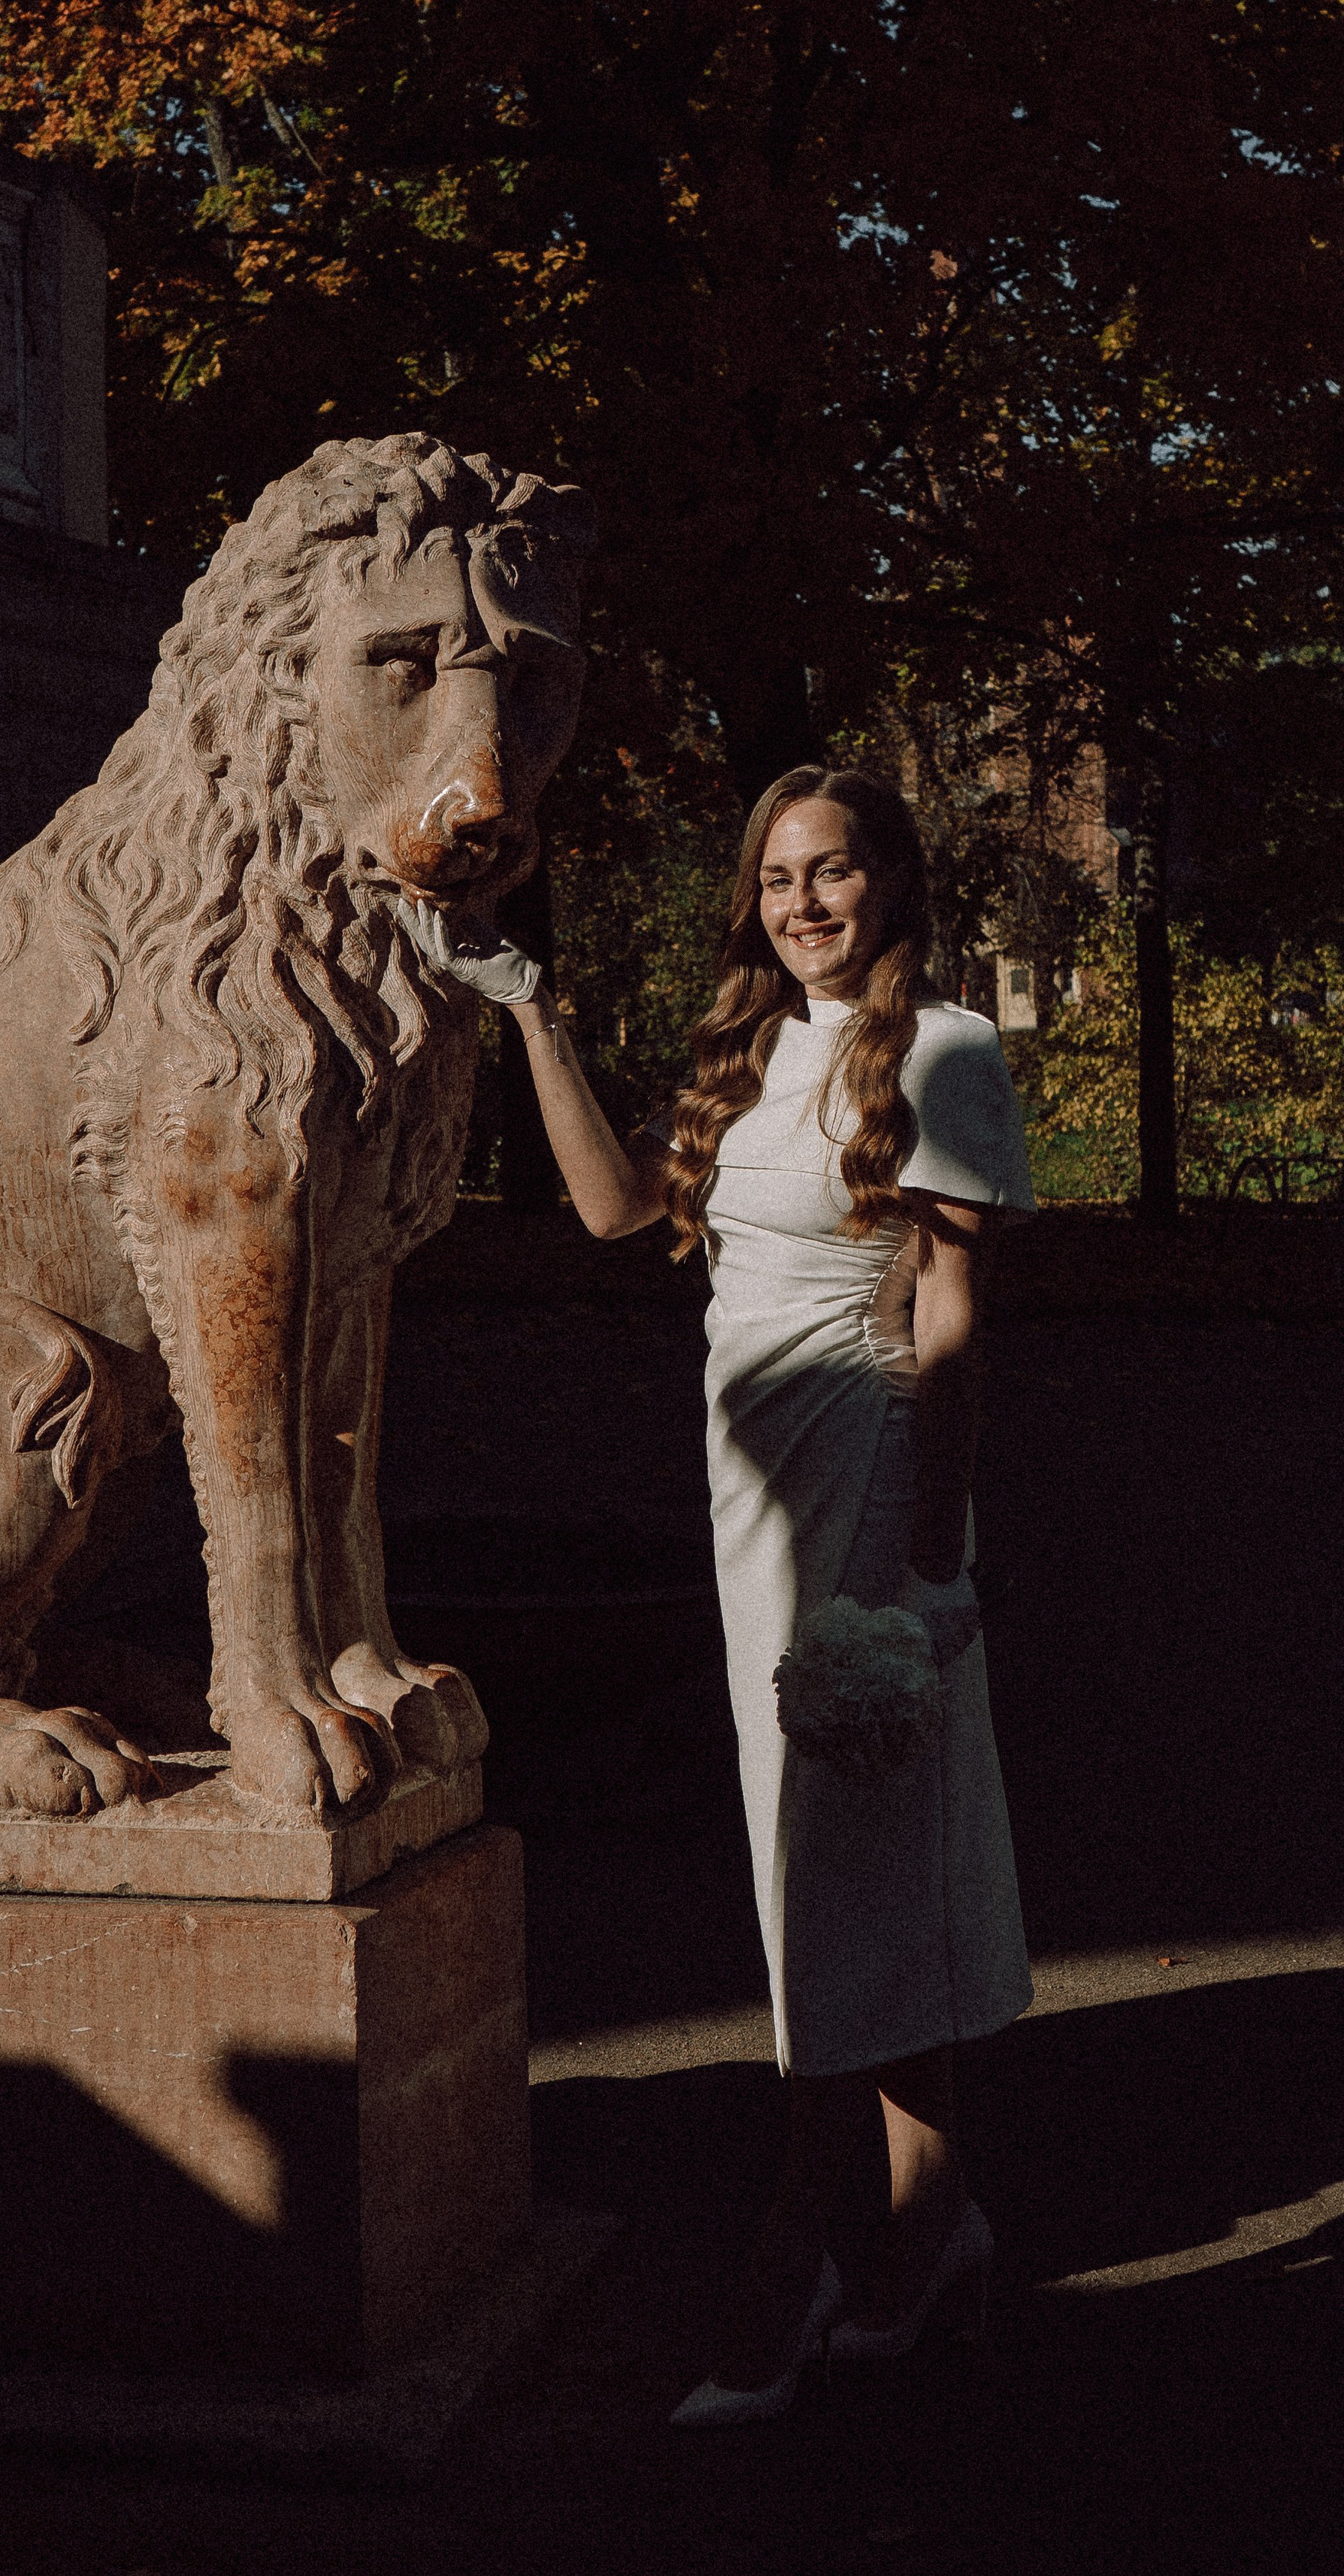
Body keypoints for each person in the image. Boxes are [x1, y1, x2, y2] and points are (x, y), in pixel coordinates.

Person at [399, 765, 1034, 2423]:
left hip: (870, 1490)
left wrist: (936, 1558)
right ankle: (930, 2225)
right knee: (835, 1860)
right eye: (772, 878)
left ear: (890, 881)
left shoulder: (946, 1048)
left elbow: (953, 1314)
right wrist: (530, 1013)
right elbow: (617, 1211)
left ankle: (793, 2254)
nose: (801, 903)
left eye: (831, 873)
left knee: (835, 1862)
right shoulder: (750, 1050)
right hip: (747, 1502)